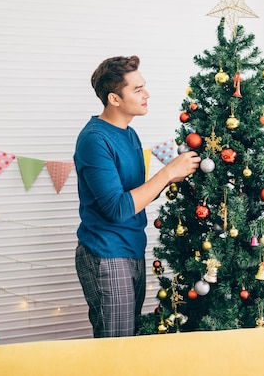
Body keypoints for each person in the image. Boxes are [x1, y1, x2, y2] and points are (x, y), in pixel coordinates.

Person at [74, 55, 200, 338]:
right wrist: (166, 173)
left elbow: (133, 196)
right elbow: (117, 208)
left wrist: (172, 178)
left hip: (132, 248)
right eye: (137, 89)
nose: (147, 94)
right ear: (114, 99)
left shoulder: (129, 134)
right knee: (116, 348)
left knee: (129, 340)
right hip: (106, 252)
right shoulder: (95, 139)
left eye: (144, 86)